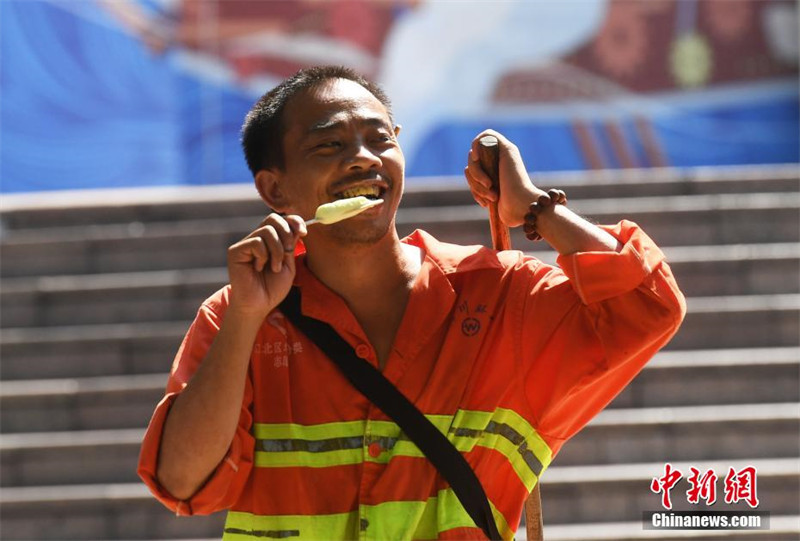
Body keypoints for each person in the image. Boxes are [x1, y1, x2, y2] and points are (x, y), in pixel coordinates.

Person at [138, 65, 686, 540]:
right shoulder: (237, 316)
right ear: (274, 190)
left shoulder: (498, 294)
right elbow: (183, 482)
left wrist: (536, 211)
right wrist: (247, 317)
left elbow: (649, 304)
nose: (362, 159)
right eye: (328, 145)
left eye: (380, 139)